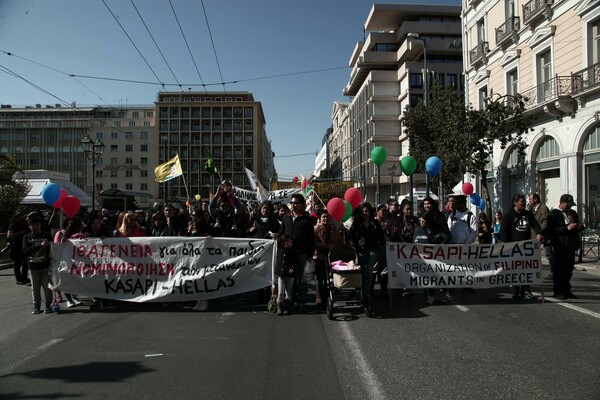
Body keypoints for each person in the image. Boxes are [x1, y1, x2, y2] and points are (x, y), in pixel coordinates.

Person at [501, 194, 544, 300]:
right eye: (522, 201)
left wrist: (539, 233)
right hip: (514, 247)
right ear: (515, 203)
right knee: (515, 269)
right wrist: (508, 245)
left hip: (527, 247)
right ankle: (515, 291)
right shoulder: (508, 215)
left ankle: (526, 290)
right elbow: (503, 231)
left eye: (525, 201)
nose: (524, 203)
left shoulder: (527, 214)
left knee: (526, 269)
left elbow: (535, 224)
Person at [277, 193, 315, 313]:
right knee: (289, 278)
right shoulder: (286, 218)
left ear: (302, 205)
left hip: (301, 253)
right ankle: (290, 302)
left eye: (296, 203)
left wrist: (310, 254)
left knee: (301, 279)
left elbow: (311, 238)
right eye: (292, 203)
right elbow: (281, 233)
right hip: (288, 254)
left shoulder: (306, 219)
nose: (293, 205)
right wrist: (279, 239)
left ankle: (302, 302)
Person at [545, 194, 585, 300]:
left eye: (570, 205)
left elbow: (577, 224)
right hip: (559, 246)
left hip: (571, 245)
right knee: (559, 270)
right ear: (561, 203)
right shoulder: (553, 214)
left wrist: (579, 227)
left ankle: (567, 290)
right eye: (567, 205)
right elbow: (552, 231)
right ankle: (558, 291)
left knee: (568, 270)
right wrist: (566, 228)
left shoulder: (573, 213)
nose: (569, 208)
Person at [348, 203, 385, 308]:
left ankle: (366, 294)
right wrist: (354, 248)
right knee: (361, 272)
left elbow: (380, 236)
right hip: (361, 251)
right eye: (363, 211)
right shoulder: (357, 223)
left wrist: (380, 245)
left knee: (369, 272)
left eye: (367, 211)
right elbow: (351, 237)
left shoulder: (375, 223)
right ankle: (359, 292)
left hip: (373, 251)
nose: (365, 213)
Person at [414, 211, 451, 304]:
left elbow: (448, 238)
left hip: (439, 258)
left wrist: (441, 247)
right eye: (420, 221)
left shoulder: (440, 229)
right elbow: (414, 242)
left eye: (423, 221)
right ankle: (431, 294)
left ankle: (444, 293)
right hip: (425, 259)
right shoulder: (418, 230)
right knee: (429, 276)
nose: (421, 223)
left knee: (442, 276)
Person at [22, 214, 53, 314]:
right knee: (35, 288)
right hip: (32, 267)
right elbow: (26, 250)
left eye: (38, 224)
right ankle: (36, 306)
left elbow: (54, 248)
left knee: (47, 287)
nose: (36, 226)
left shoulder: (46, 235)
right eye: (33, 224)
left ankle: (49, 305)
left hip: (45, 266)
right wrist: (40, 246)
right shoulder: (26, 237)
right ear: (29, 226)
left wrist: (48, 245)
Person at [313, 211, 343, 306]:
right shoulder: (316, 229)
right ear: (320, 218)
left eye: (327, 217)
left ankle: (327, 296)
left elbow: (340, 242)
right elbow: (313, 242)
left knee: (329, 277)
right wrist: (324, 246)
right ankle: (318, 296)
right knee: (319, 278)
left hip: (332, 256)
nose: (326, 219)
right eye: (323, 217)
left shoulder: (334, 229)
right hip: (319, 256)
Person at [528, 193, 553, 280]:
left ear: (535, 199)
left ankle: (552, 273)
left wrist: (539, 232)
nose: (529, 201)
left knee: (549, 254)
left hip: (544, 235)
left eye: (530, 199)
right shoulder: (531, 208)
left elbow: (545, 222)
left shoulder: (543, 208)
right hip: (534, 235)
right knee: (533, 255)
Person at [7, 212, 30, 285]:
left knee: (26, 263)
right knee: (17, 263)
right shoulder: (13, 225)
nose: (22, 218)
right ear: (16, 218)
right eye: (20, 217)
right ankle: (18, 278)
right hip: (16, 246)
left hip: (24, 245)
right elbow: (9, 236)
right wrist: (20, 232)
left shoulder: (25, 224)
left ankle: (24, 277)